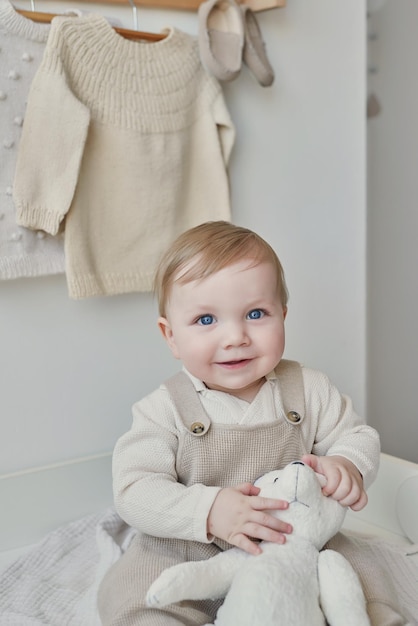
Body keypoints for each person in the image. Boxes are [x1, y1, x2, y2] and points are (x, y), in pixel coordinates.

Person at [98, 221, 380, 625]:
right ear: (171, 334)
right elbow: (134, 489)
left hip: (290, 546)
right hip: (188, 547)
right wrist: (209, 510)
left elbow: (356, 436)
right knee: (137, 594)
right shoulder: (163, 410)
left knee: (362, 578)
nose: (235, 337)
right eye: (206, 320)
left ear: (283, 315)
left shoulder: (308, 389)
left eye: (255, 313)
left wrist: (348, 464)